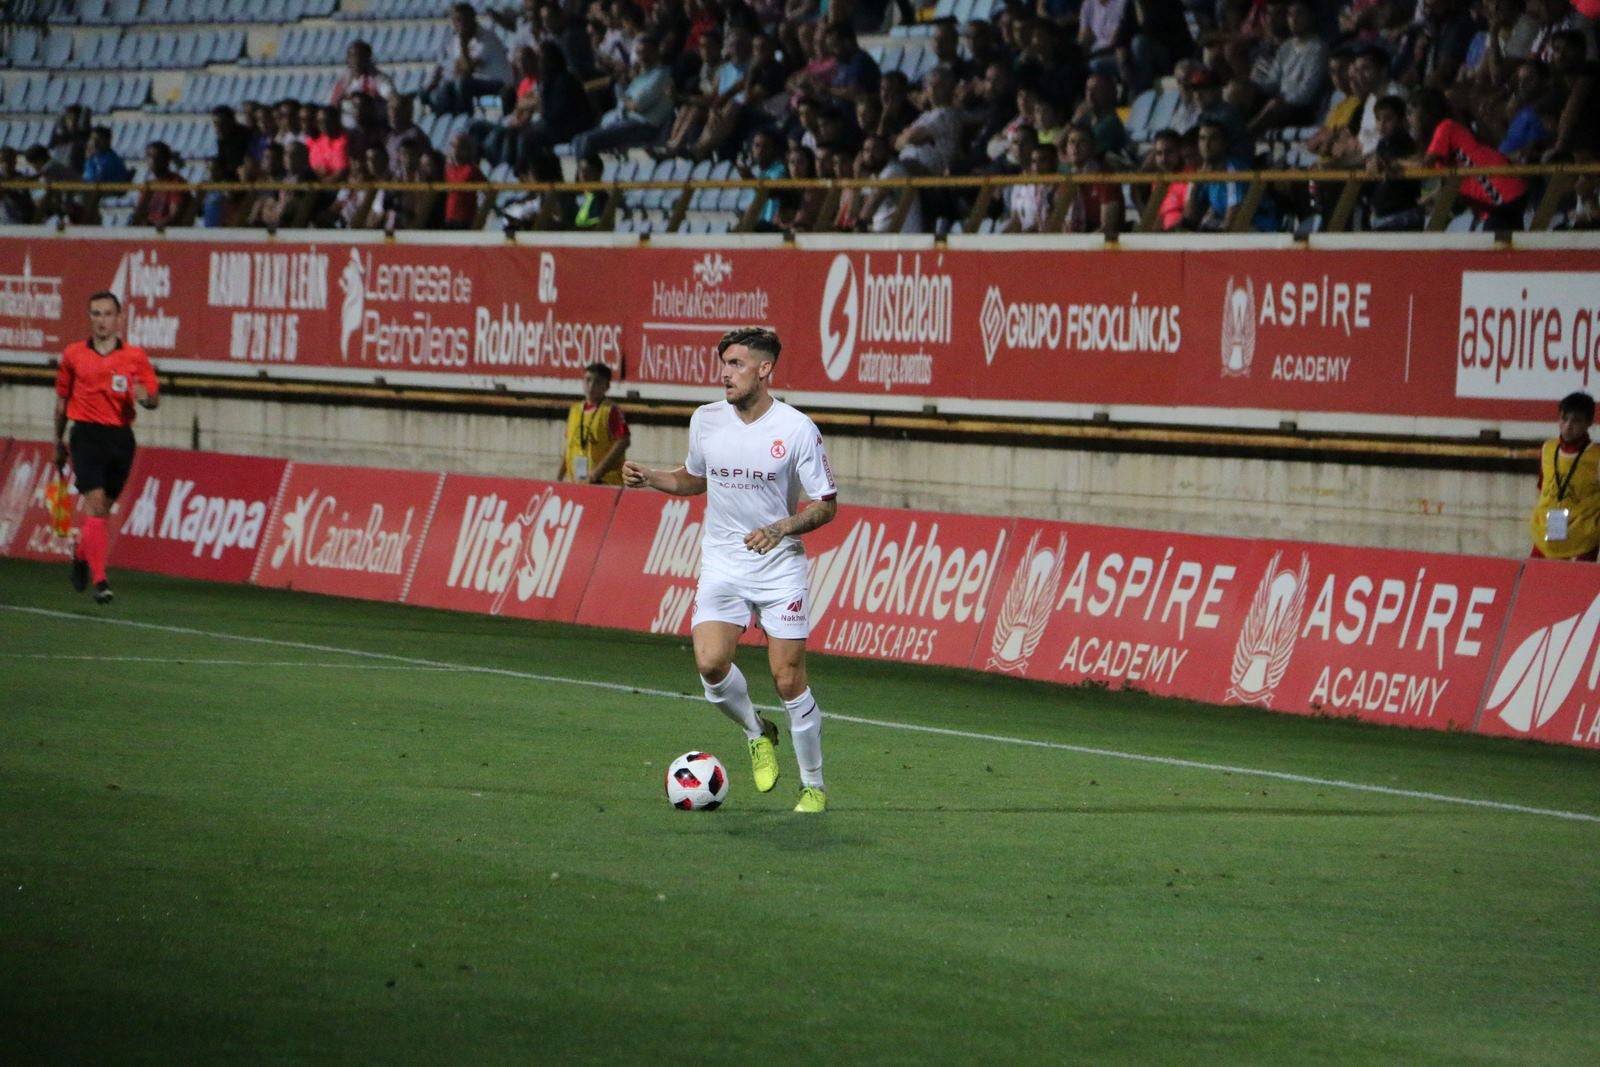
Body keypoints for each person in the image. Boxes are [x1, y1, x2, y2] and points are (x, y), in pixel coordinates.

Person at [622, 327, 839, 813]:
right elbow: (695, 478)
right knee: (710, 665)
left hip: (778, 566)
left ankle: (813, 787)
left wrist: (782, 527)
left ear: (764, 370)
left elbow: (826, 505)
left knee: (787, 680)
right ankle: (757, 732)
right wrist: (651, 477)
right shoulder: (707, 420)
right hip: (722, 561)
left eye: (737, 364)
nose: (725, 373)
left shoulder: (796, 428)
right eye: (723, 363)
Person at [53, 292, 159, 605]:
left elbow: (153, 397)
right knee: (95, 504)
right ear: (90, 318)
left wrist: (145, 398)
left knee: (102, 510)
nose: (101, 321)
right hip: (85, 436)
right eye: (96, 314)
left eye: (107, 314)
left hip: (120, 439)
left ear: (119, 318)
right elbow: (61, 402)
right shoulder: (73, 355)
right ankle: (101, 581)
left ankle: (82, 554)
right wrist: (57, 442)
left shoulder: (135, 357)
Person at [1530, 391, 1600, 560]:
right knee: (1533, 583)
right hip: (1545, 536)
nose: (1568, 425)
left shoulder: (1596, 456)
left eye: (1576, 420)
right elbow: (1542, 487)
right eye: (1564, 418)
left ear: (1589, 422)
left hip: (1581, 541)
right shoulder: (1548, 449)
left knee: (1574, 586)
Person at [558, 362, 630, 484]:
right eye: (588, 380)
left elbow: (623, 441)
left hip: (604, 481)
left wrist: (597, 472)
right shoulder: (575, 410)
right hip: (578, 481)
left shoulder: (609, 410)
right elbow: (570, 445)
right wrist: (560, 476)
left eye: (597, 382)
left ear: (606, 386)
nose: (591, 386)